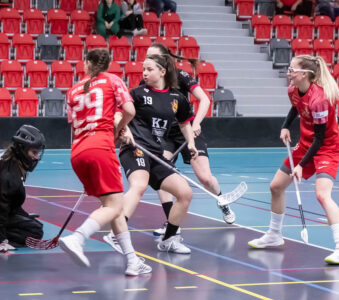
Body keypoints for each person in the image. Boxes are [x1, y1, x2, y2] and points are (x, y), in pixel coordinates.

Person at [248, 55, 339, 265]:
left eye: (292, 69)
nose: (289, 72)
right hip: (305, 145)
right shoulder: (293, 90)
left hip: (326, 149)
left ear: (304, 74)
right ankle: (274, 235)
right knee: (276, 186)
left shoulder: (319, 99)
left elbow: (320, 139)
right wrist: (286, 126)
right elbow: (296, 106)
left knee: (322, 195)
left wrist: (300, 166)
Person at [57, 48, 152, 276]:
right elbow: (129, 110)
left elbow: (73, 126)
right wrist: (119, 129)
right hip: (100, 148)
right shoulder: (112, 80)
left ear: (87, 63)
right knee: (115, 207)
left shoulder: (73, 90)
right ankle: (78, 238)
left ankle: (132, 261)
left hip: (78, 152)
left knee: (112, 207)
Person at [103, 52, 198, 255]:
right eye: (143, 69)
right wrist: (124, 129)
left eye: (149, 69)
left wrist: (190, 142)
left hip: (156, 153)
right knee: (139, 184)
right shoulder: (137, 93)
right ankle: (116, 234)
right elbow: (118, 114)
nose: (144, 73)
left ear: (162, 72)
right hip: (134, 148)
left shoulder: (177, 98)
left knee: (185, 193)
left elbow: (184, 123)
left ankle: (169, 239)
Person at [144, 43, 236, 234]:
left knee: (205, 178)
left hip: (187, 130)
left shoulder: (180, 76)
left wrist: (196, 123)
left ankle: (222, 201)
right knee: (162, 175)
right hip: (164, 134)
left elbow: (204, 99)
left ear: (164, 60)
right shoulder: (148, 80)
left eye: (152, 57)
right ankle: (171, 223)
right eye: (147, 57)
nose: (148, 61)